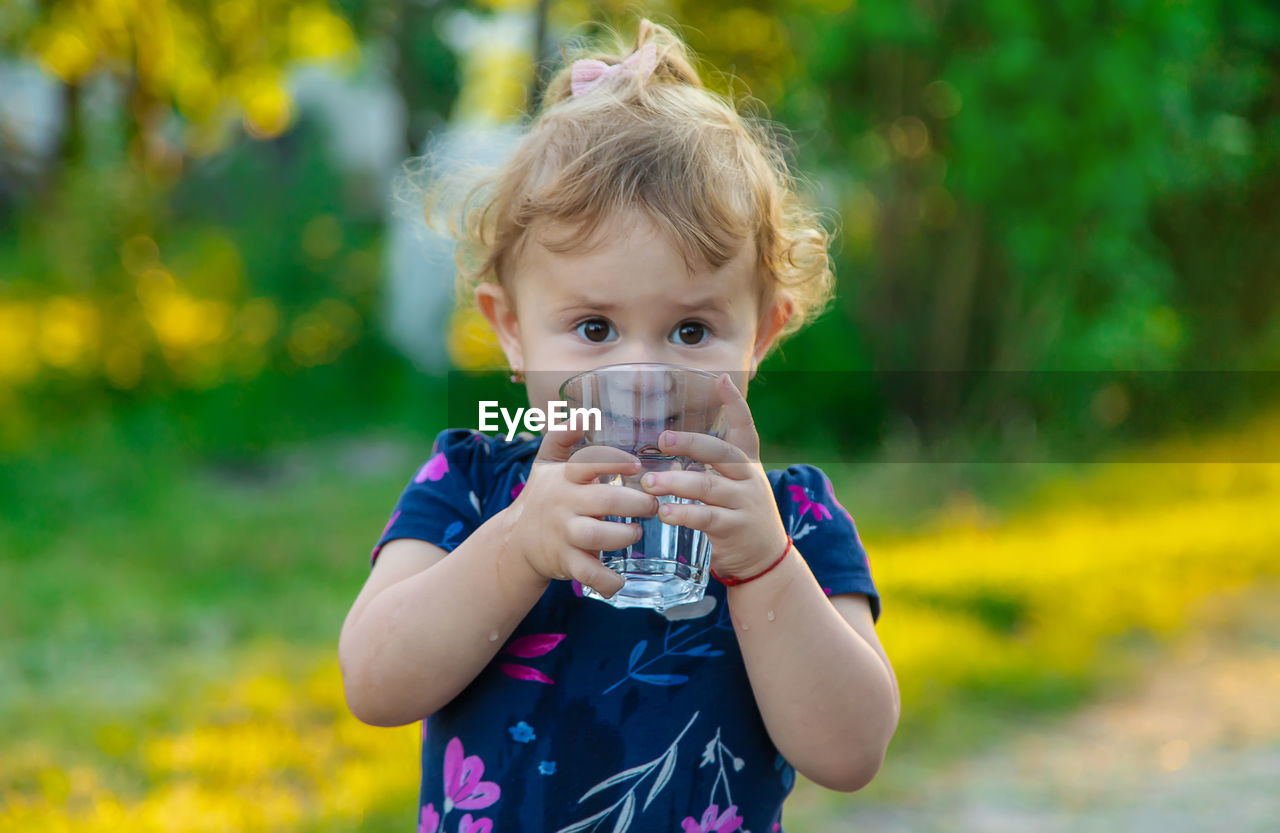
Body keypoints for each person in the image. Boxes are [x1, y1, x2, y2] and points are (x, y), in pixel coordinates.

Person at [339, 19, 899, 833]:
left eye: (692, 331)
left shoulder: (792, 520)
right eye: (595, 328)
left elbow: (851, 752)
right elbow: (375, 681)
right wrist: (521, 543)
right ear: (512, 330)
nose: (643, 378)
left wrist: (764, 567)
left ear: (763, 334)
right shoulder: (470, 489)